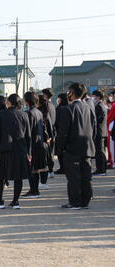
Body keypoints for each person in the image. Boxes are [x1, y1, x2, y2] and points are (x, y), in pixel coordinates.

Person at [57, 82, 96, 210]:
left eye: (69, 91)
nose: (68, 94)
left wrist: (60, 147)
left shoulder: (68, 109)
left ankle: (75, 201)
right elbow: (93, 127)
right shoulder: (88, 107)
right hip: (87, 146)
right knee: (86, 175)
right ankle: (85, 200)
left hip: (72, 148)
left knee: (74, 176)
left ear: (72, 93)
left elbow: (63, 132)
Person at [0, 94, 31, 209]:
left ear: (9, 102)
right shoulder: (24, 115)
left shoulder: (1, 114)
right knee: (18, 177)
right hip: (21, 150)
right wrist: (29, 152)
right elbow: (28, 136)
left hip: (4, 149)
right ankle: (15, 201)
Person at [22, 92, 49, 199]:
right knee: (36, 168)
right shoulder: (38, 112)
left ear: (27, 101)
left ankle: (33, 190)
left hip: (32, 143)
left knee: (32, 168)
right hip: (40, 142)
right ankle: (35, 190)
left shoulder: (29, 113)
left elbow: (27, 131)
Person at [92, 90, 108, 176]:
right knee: (101, 151)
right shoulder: (102, 106)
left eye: (93, 96)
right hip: (102, 132)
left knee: (99, 152)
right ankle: (102, 169)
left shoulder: (99, 106)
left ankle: (101, 170)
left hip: (99, 132)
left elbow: (97, 121)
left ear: (98, 97)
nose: (92, 98)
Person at [42, 89, 56, 178]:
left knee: (48, 154)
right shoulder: (53, 105)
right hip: (53, 131)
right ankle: (51, 170)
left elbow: (47, 120)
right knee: (51, 153)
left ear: (45, 95)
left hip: (47, 131)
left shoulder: (46, 105)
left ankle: (49, 171)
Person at [54, 93, 69, 174]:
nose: (57, 100)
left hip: (60, 133)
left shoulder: (59, 108)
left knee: (60, 151)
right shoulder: (69, 107)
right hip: (68, 134)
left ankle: (62, 168)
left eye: (58, 98)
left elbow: (56, 121)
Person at [106, 91, 115, 169]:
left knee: (112, 148)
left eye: (111, 95)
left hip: (112, 130)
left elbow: (109, 118)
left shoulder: (114, 105)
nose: (110, 97)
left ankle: (112, 162)